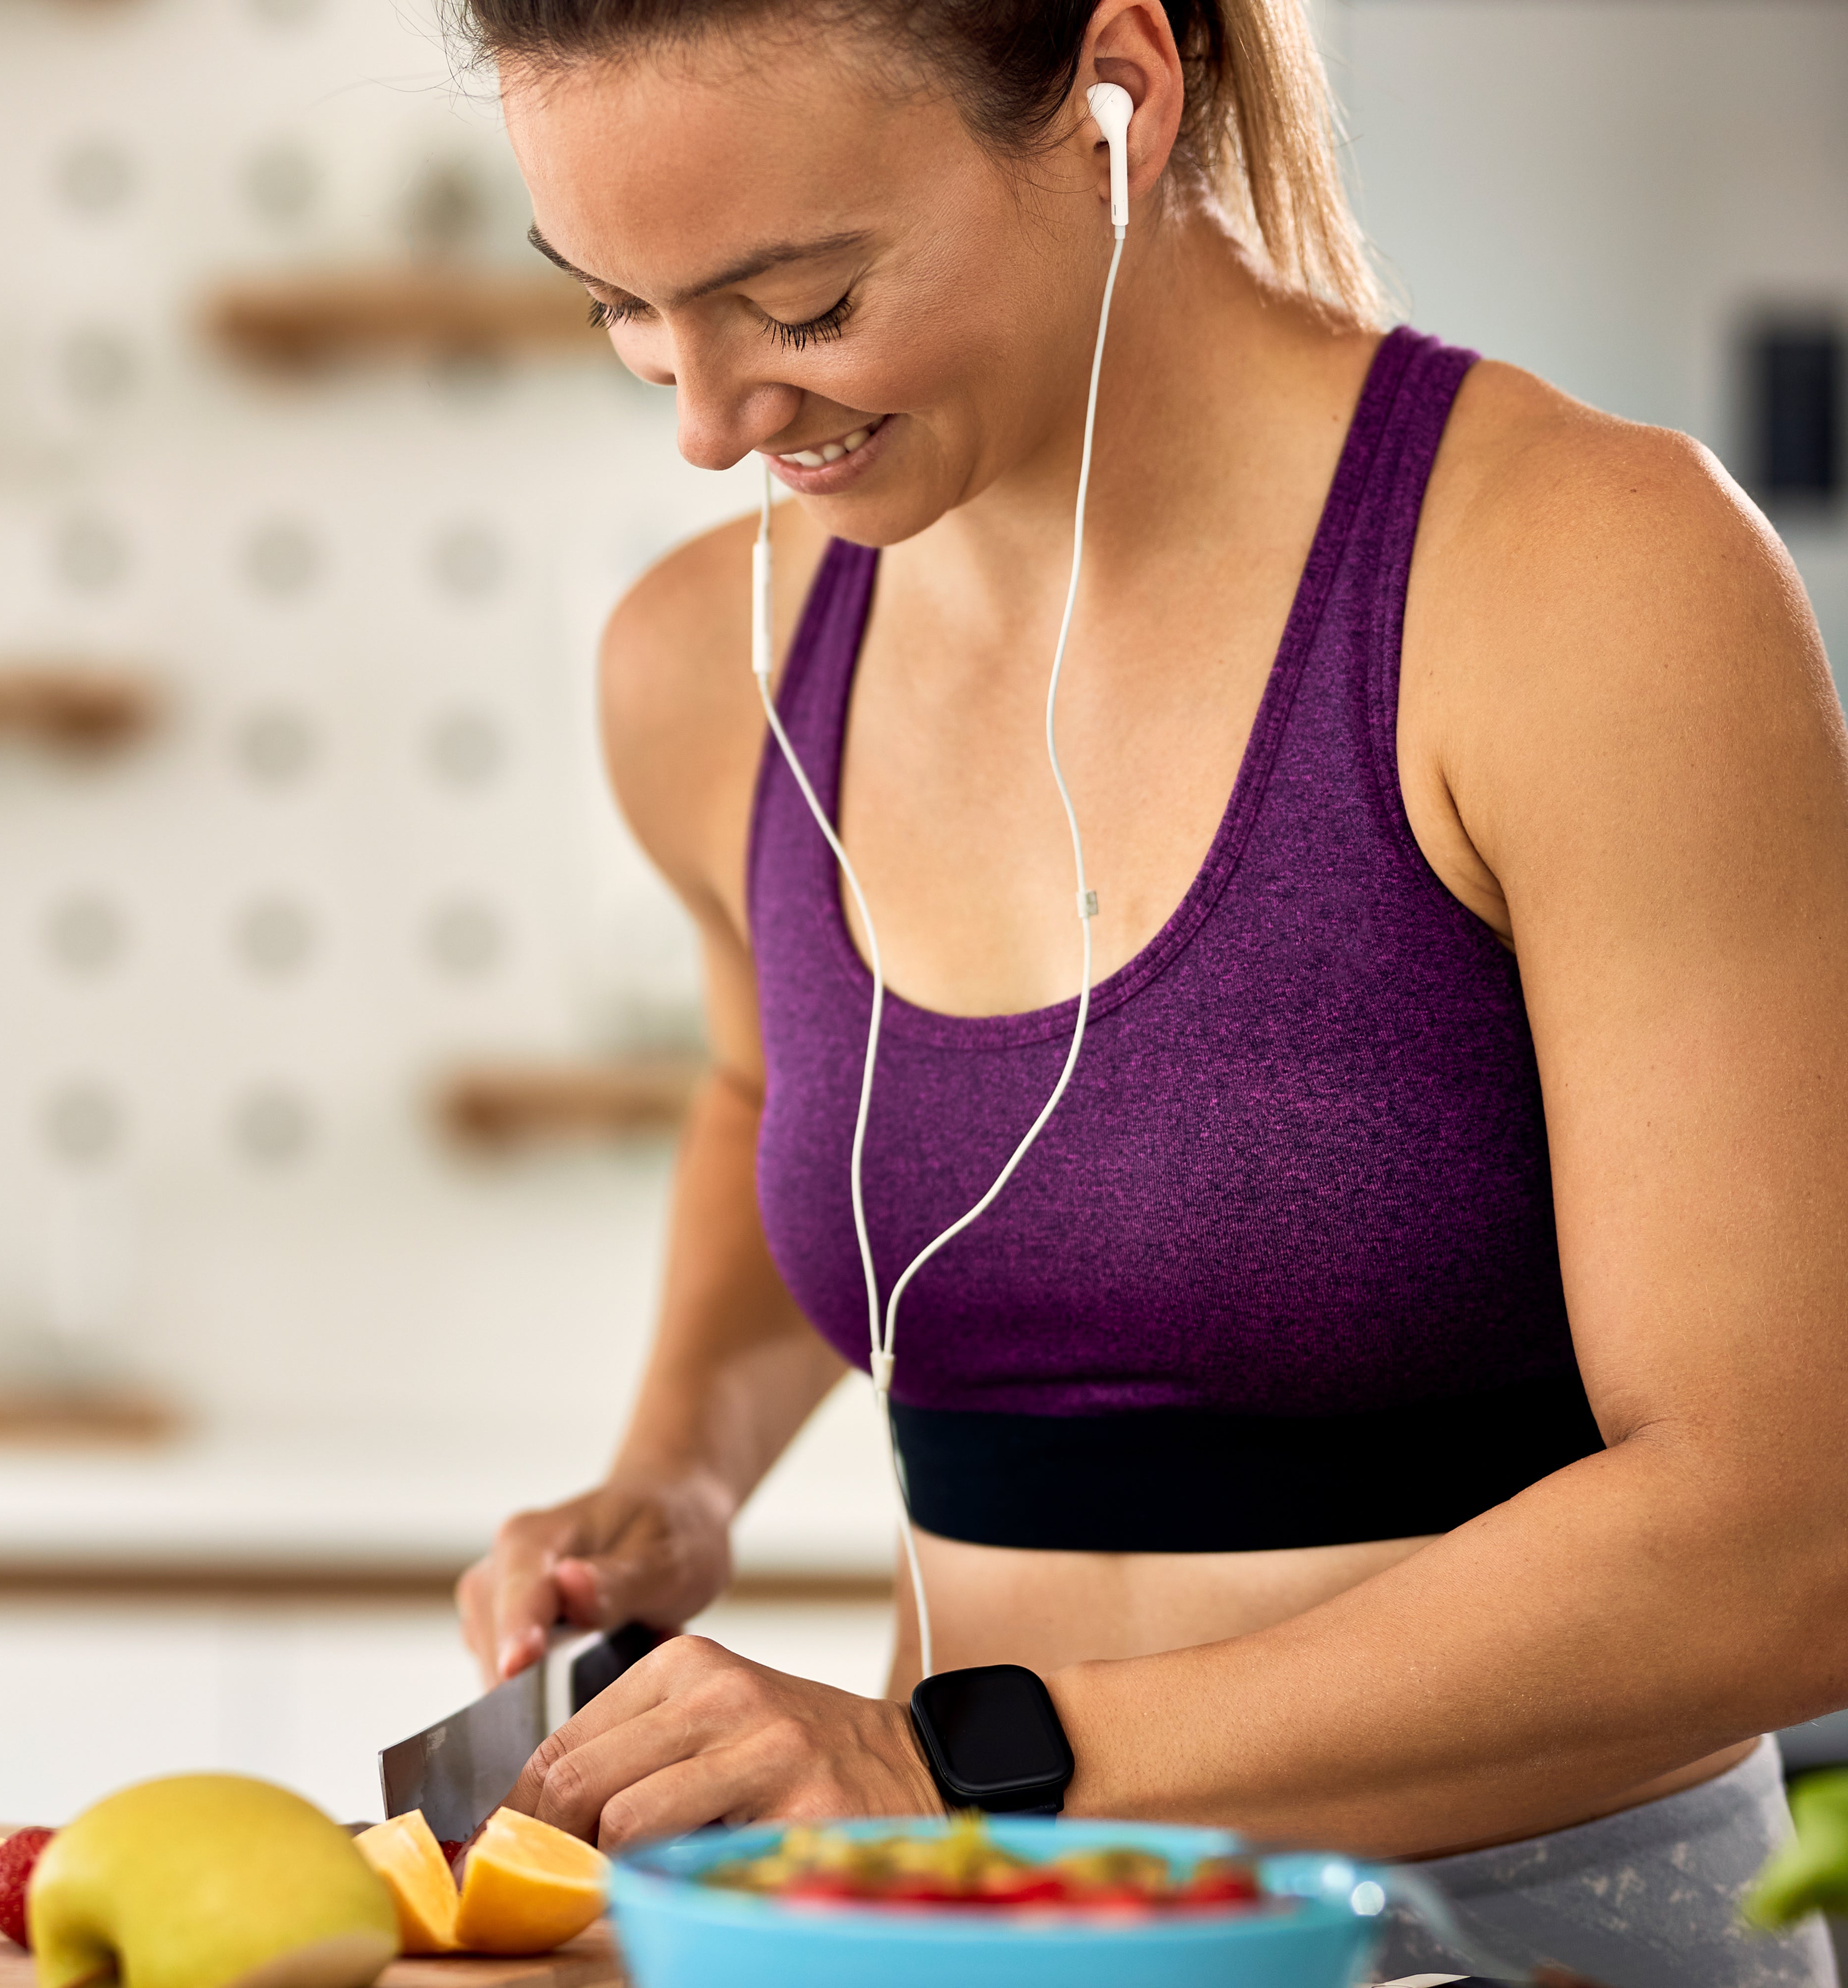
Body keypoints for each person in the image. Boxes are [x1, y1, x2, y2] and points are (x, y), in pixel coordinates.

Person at [446, 1, 1848, 1981]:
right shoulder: (707, 665)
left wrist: (968, 1760)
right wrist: (676, 1469)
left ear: (1121, 90)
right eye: (622, 309)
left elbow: (1790, 1539)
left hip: (1520, 1939)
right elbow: (785, 1094)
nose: (703, 420)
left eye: (807, 301)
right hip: (942, 1937)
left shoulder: (1579, 581)